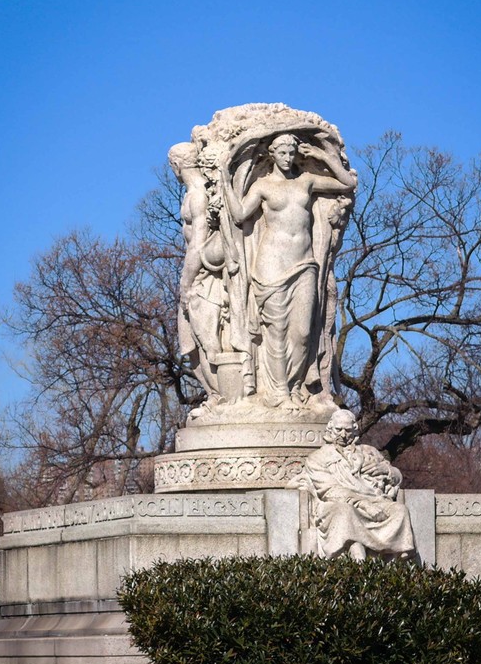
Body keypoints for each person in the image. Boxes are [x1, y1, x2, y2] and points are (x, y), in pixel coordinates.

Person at [222, 134, 356, 408]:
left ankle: (295, 387)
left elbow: (347, 183)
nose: (287, 158)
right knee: (277, 333)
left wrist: (324, 157)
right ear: (272, 154)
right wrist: (224, 181)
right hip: (272, 265)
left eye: (291, 152)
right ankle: (281, 393)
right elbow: (239, 215)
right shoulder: (262, 187)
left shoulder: (306, 181)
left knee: (304, 333)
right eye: (282, 152)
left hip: (304, 263)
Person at [304, 410, 415, 560]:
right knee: (345, 512)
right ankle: (357, 550)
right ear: (330, 428)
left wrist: (386, 470)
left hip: (375, 500)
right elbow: (330, 490)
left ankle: (393, 558)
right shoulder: (318, 457)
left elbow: (397, 476)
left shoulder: (369, 451)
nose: (343, 435)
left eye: (348, 430)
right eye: (338, 430)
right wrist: (364, 505)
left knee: (399, 510)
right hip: (337, 503)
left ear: (354, 430)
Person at [169, 142, 224, 404]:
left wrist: (185, 282)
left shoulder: (198, 195)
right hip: (198, 275)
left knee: (206, 341)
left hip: (203, 277)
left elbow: (198, 243)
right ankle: (216, 395)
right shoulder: (194, 193)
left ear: (177, 165)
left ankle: (221, 397)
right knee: (192, 349)